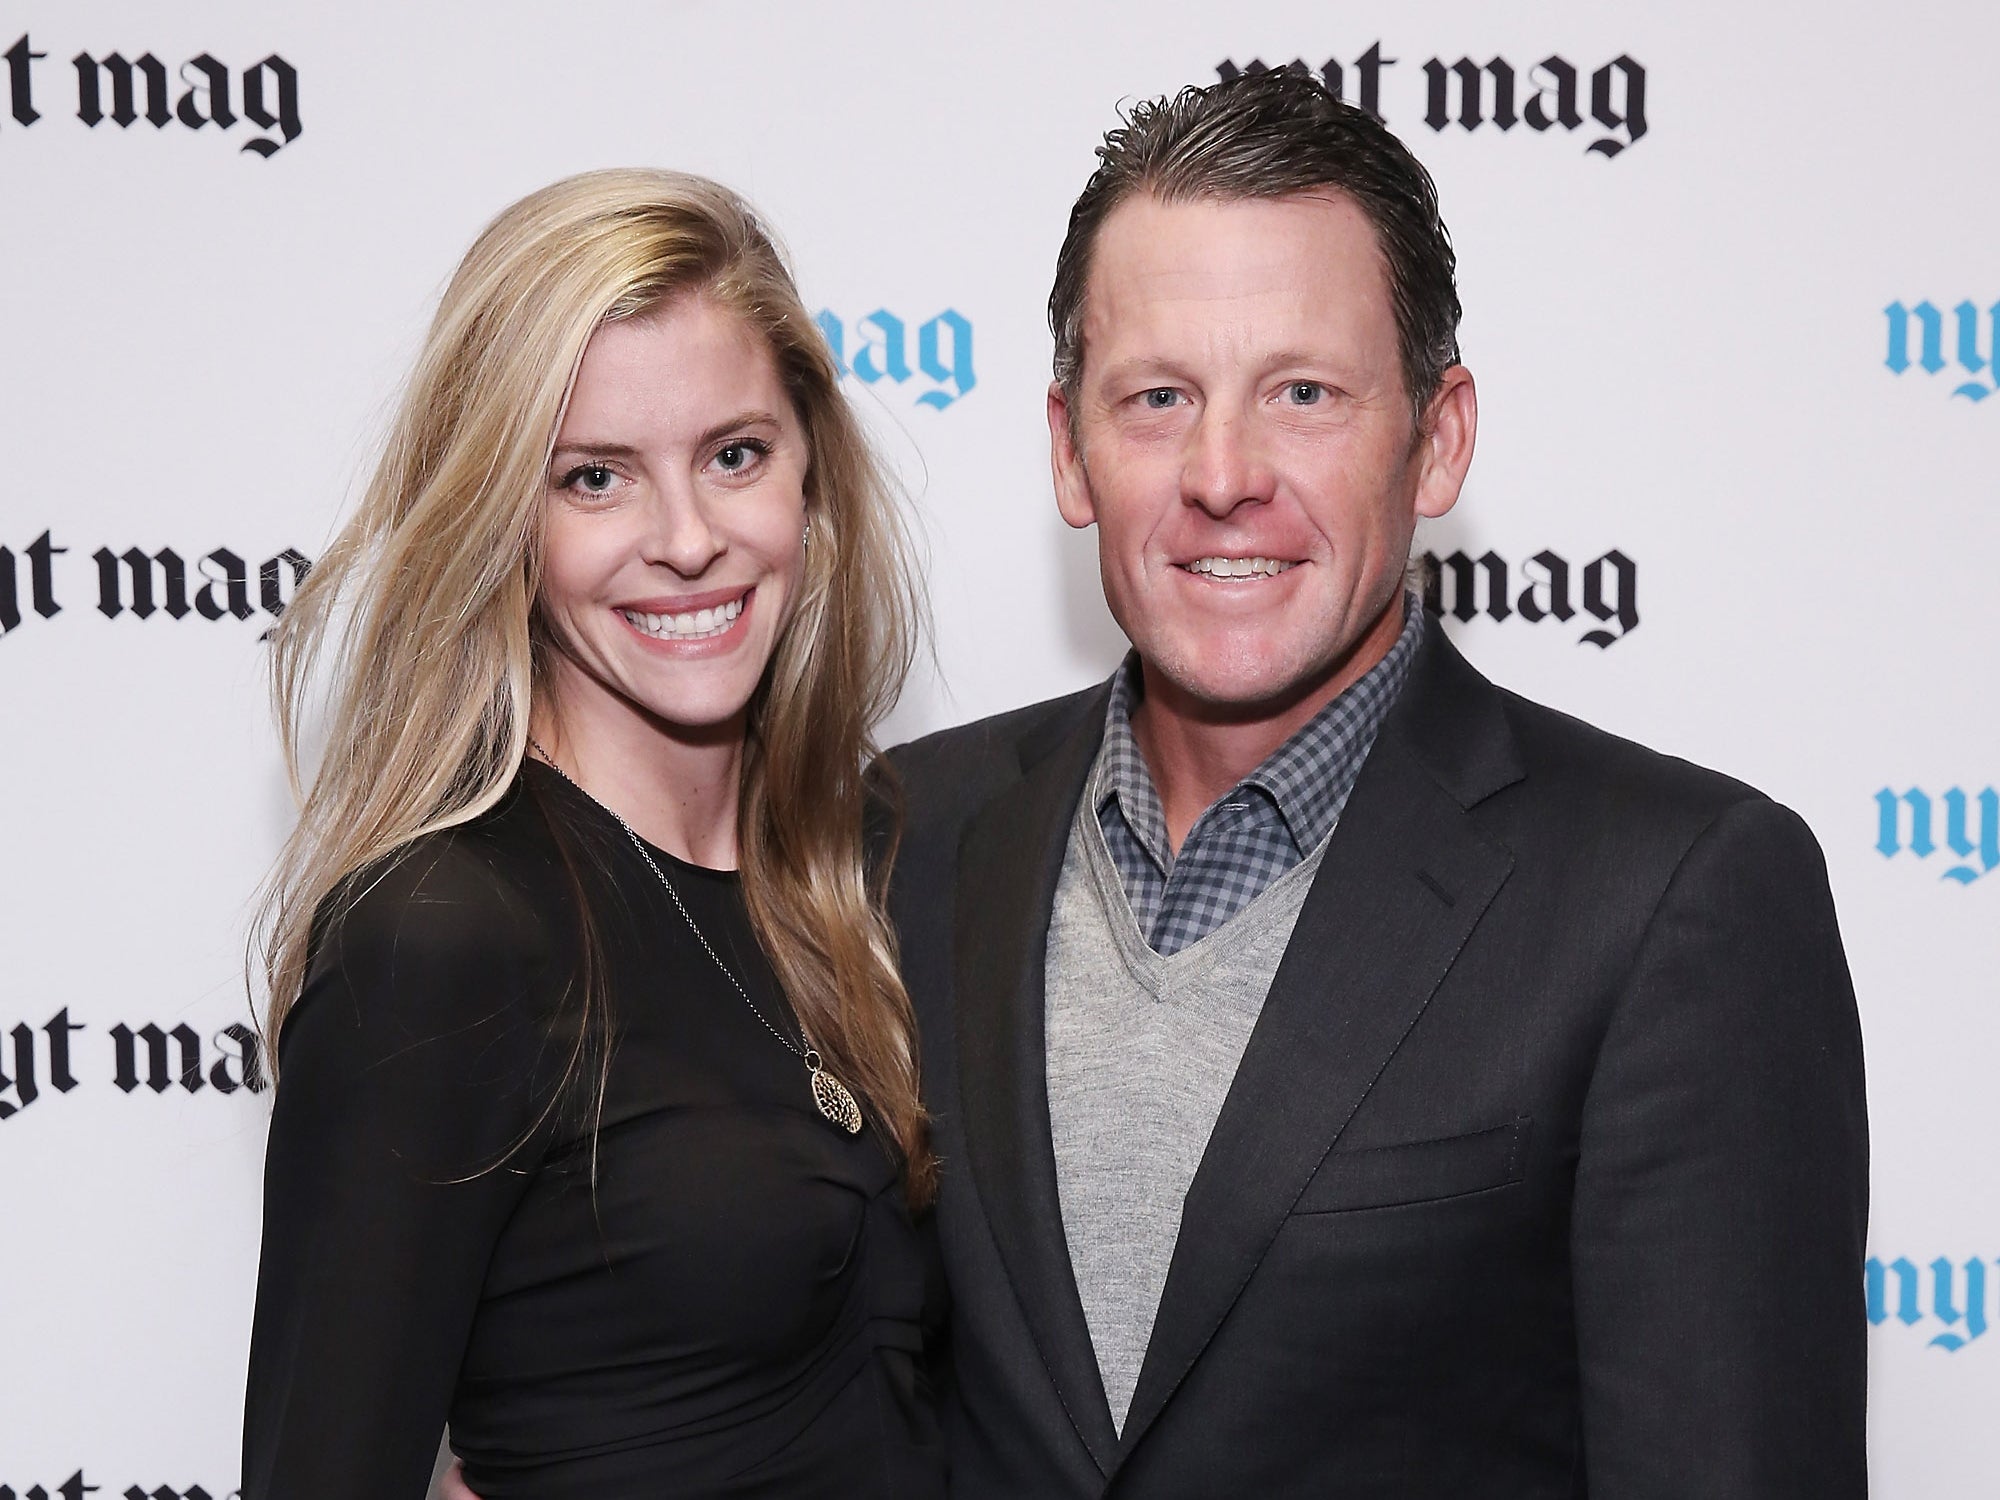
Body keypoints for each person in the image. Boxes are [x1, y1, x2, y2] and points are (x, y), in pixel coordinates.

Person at [882, 71, 1869, 1496]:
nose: (1224, 474)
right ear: (1069, 448)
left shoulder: (1678, 897)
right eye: (1157, 397)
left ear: (1440, 435)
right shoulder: (900, 840)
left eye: (1304, 394)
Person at [242, 169, 944, 1499]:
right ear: (506, 519)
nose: (687, 540)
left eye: (734, 455)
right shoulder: (443, 941)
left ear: (809, 474)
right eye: (596, 479)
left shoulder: (874, 859)